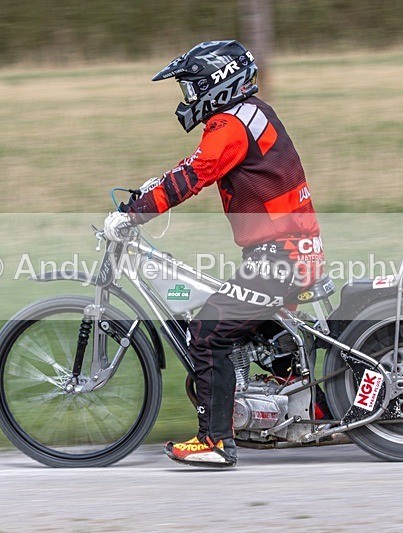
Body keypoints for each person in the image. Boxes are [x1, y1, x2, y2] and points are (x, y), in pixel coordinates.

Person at [103, 40, 323, 468]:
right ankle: (297, 396)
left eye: (192, 88)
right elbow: (197, 166)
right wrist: (154, 187)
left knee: (206, 331)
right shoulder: (252, 113)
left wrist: (133, 213)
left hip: (281, 258)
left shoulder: (231, 125)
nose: (188, 99)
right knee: (248, 326)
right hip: (287, 251)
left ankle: (216, 443)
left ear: (216, 84)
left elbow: (194, 175)